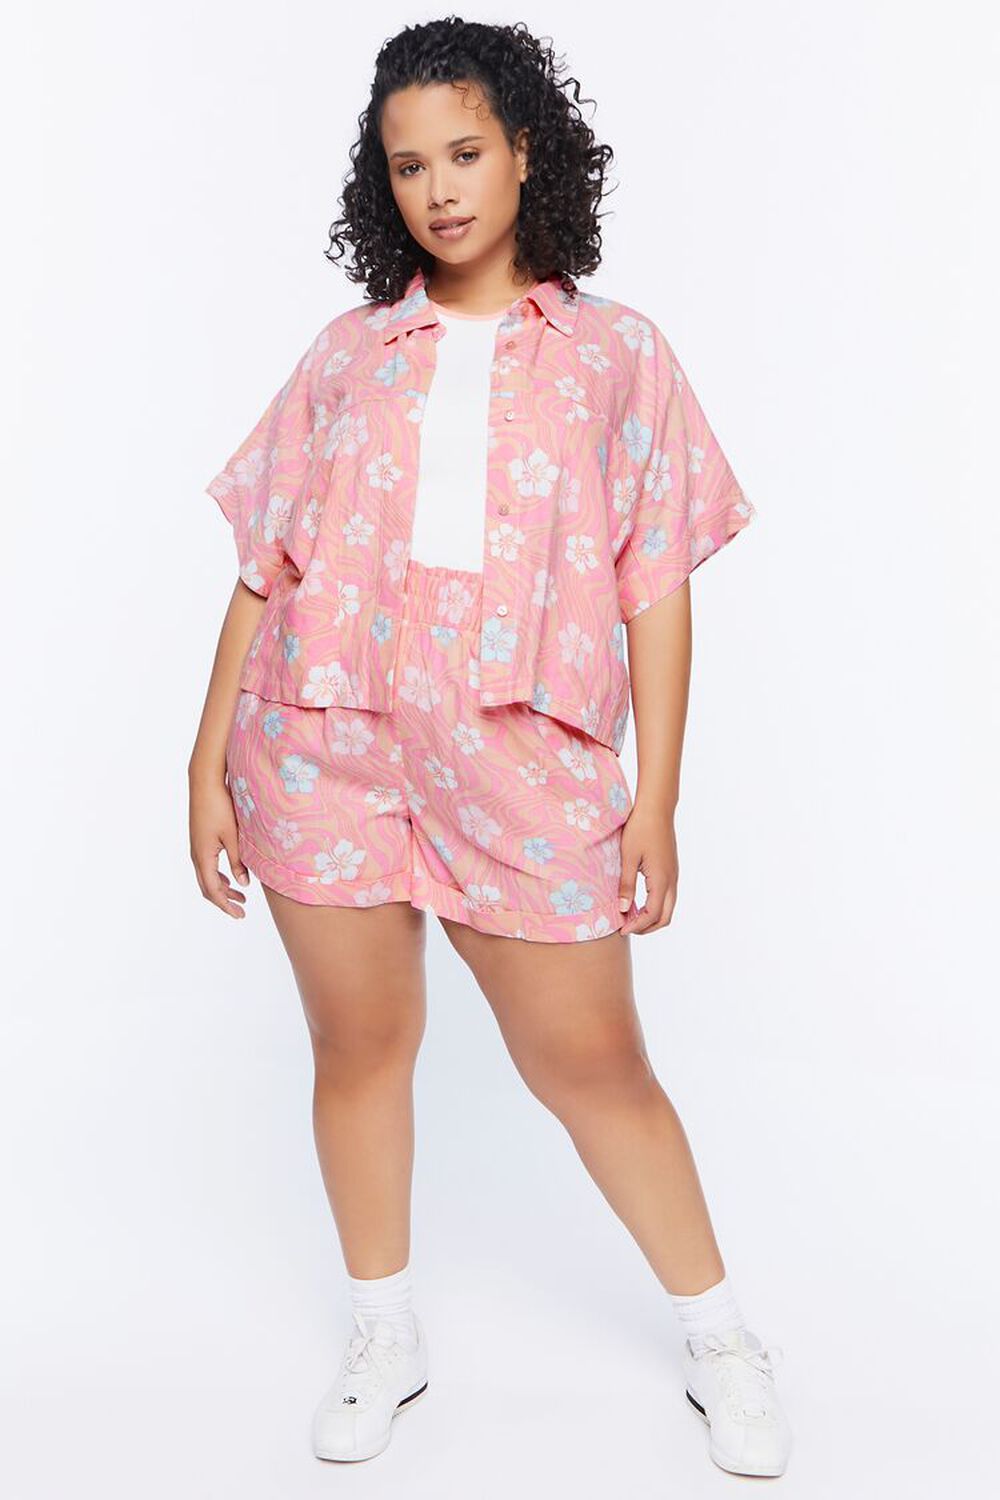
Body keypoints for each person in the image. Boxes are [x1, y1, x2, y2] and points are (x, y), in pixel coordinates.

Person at [188, 15, 792, 1478]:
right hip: (322, 741)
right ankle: (382, 1332)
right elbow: (267, 564)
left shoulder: (616, 354)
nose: (440, 190)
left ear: (527, 151)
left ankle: (720, 1337)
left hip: (522, 755)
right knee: (359, 1045)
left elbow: (657, 584)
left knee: (591, 1059)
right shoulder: (349, 355)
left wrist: (657, 798)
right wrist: (206, 759)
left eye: (464, 153)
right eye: (409, 166)